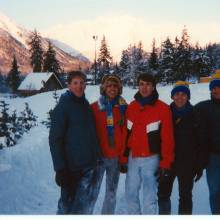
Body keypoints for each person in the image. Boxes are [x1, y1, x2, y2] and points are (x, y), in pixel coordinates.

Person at [49, 71, 102, 214]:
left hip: (88, 166)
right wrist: (60, 169)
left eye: (82, 83)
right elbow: (55, 139)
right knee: (66, 206)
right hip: (71, 169)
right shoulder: (63, 107)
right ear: (69, 85)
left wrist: (96, 156)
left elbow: (90, 134)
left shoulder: (85, 105)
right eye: (75, 83)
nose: (79, 86)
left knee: (82, 206)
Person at [123, 73, 174, 214]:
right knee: (130, 194)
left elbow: (167, 138)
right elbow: (125, 134)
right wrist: (123, 157)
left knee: (149, 197)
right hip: (133, 158)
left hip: (151, 159)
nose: (144, 87)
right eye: (141, 84)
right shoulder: (131, 107)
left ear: (153, 87)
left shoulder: (163, 109)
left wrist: (165, 163)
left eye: (148, 84)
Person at [157, 81, 203, 215]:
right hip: (167, 162)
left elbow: (201, 141)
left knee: (185, 197)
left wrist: (199, 165)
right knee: (163, 195)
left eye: (184, 94)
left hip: (187, 164)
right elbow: (157, 139)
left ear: (188, 97)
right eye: (177, 94)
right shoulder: (165, 112)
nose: (180, 97)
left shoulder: (196, 114)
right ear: (172, 96)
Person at [91, 74, 127, 214]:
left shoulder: (124, 109)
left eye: (115, 86)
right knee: (92, 192)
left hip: (115, 158)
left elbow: (126, 135)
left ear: (119, 89)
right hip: (98, 158)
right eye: (109, 86)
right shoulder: (94, 108)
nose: (112, 88)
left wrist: (123, 159)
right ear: (103, 88)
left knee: (111, 192)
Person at [195, 70, 220, 214]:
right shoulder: (202, 107)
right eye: (214, 87)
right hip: (213, 157)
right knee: (215, 190)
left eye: (219, 87)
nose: (217, 90)